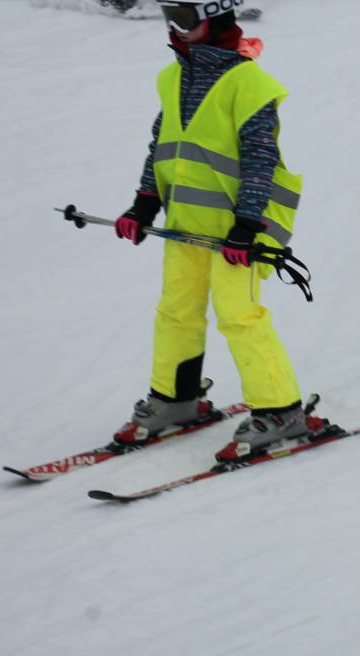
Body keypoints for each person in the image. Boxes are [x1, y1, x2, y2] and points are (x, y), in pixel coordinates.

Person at [111, 0, 308, 462]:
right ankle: (175, 398)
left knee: (240, 316)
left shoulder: (249, 83)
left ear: (215, 16)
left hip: (237, 233)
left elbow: (260, 159)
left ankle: (281, 410)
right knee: (176, 312)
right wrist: (144, 202)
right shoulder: (173, 77)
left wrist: (247, 224)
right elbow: (162, 145)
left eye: (185, 16)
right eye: (170, 16)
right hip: (185, 225)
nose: (176, 27)